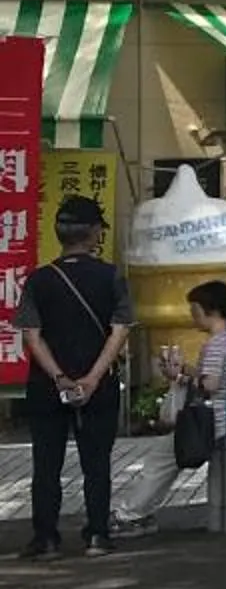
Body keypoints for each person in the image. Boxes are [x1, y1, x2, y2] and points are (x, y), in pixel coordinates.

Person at [18, 195, 131, 559]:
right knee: (96, 462)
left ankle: (46, 538)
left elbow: (31, 335)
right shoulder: (112, 276)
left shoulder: (39, 280)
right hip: (99, 384)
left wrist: (59, 377)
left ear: (59, 233)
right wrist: (93, 378)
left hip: (46, 386)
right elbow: (119, 329)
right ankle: (97, 535)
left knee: (46, 463)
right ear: (95, 233)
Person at [126, 280, 226, 536]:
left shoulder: (216, 344)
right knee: (164, 461)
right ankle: (138, 512)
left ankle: (130, 513)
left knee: (159, 461)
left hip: (207, 420)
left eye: (195, 310)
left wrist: (181, 378)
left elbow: (210, 383)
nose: (192, 316)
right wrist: (185, 371)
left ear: (211, 311)